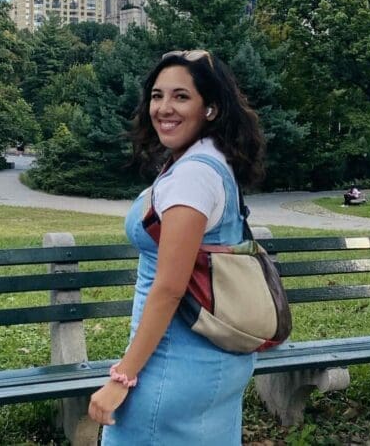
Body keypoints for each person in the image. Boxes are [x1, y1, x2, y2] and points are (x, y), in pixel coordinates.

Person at [90, 49, 266, 444]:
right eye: (157, 95)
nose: (164, 108)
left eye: (181, 96)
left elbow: (169, 288)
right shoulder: (214, 161)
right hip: (215, 361)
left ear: (211, 109)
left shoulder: (193, 176)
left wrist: (123, 376)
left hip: (173, 364)